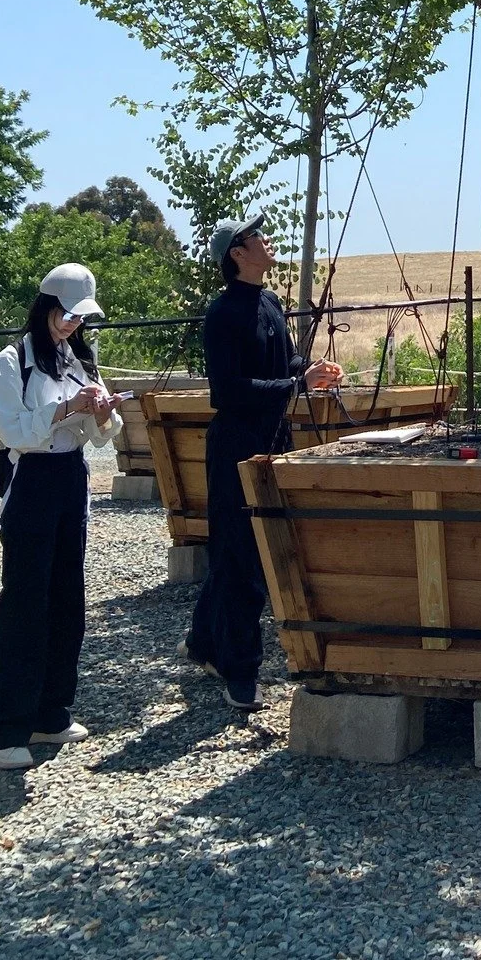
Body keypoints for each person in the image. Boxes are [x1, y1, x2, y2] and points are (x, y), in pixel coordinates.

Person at [180, 210, 341, 712]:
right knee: (243, 558)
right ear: (238, 254)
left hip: (274, 438)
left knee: (244, 551)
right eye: (256, 237)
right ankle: (240, 673)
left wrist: (308, 369)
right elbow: (226, 392)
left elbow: (283, 362)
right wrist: (295, 385)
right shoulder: (222, 314)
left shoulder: (269, 302)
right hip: (235, 446)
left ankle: (204, 643)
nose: (267, 240)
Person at [0, 265, 123, 771]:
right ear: (46, 308)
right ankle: (1, 730)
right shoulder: (11, 361)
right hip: (31, 480)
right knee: (24, 603)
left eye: (80, 319)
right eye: (66, 315)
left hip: (70, 479)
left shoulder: (79, 359)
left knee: (66, 599)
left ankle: (49, 711)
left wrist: (102, 412)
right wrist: (67, 410)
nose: (72, 326)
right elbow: (13, 430)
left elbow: (105, 433)